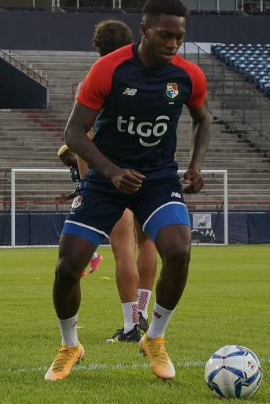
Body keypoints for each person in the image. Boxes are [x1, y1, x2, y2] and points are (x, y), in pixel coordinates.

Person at [45, 0, 211, 381]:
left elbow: (203, 119)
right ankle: (70, 345)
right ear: (144, 30)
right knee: (68, 265)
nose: (172, 44)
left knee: (179, 250)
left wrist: (196, 164)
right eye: (164, 35)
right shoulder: (109, 70)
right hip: (105, 180)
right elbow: (73, 132)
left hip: (157, 179)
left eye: (179, 37)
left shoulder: (188, 75)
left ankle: (153, 338)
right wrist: (110, 170)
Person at [87, 19, 159, 343]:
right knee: (148, 241)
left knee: (122, 247)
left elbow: (84, 136)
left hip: (114, 173)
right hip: (152, 169)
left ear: (97, 47)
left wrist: (86, 181)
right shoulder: (153, 76)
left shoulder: (98, 76)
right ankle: (142, 310)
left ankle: (131, 325)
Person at [54, 144, 103, 277]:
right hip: (81, 200)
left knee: (73, 235)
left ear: (72, 154)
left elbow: (88, 183)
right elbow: (80, 187)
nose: (63, 162)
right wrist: (67, 197)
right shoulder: (72, 169)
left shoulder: (85, 163)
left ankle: (81, 263)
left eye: (64, 158)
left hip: (90, 201)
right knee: (72, 234)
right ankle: (91, 258)